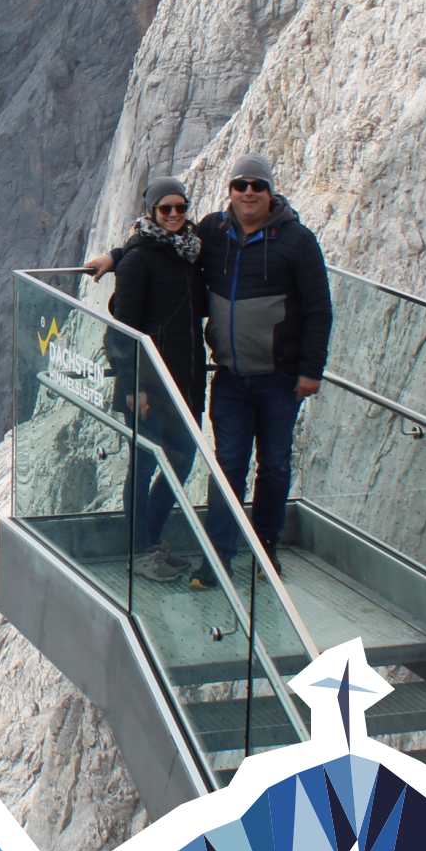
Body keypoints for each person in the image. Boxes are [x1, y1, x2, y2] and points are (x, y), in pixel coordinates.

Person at [90, 151, 331, 575]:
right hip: (189, 381)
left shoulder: (245, 242)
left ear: (270, 191)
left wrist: (311, 369)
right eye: (241, 185)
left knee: (252, 463)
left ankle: (254, 546)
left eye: (180, 208)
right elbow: (129, 306)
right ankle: (175, 551)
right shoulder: (198, 238)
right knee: (190, 465)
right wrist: (116, 257)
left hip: (240, 378)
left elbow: (318, 307)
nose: (249, 192)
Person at [100, 175, 206, 586]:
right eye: (166, 209)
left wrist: (116, 253)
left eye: (181, 207)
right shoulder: (138, 259)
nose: (175, 214)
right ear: (152, 212)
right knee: (144, 466)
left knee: (182, 460)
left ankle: (153, 539)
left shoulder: (190, 252)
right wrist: (133, 387)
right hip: (148, 388)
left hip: (185, 381)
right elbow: (122, 330)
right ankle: (140, 550)